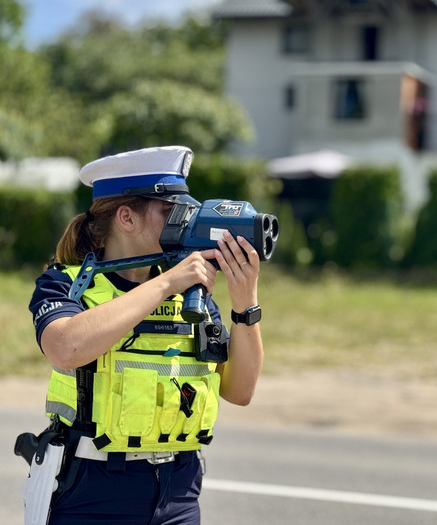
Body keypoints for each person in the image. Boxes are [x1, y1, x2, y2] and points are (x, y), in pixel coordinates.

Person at [24, 146, 264, 524]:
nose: (185, 221)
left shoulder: (194, 296)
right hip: (93, 490)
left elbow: (240, 390)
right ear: (126, 217)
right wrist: (167, 281)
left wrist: (245, 304)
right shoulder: (66, 285)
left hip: (179, 491)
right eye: (170, 211)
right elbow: (65, 347)